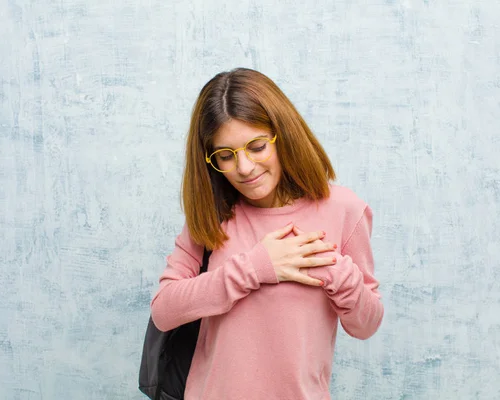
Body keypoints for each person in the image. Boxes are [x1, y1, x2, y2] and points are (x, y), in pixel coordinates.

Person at [150, 67, 384, 400]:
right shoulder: (213, 214)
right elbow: (164, 311)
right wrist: (255, 268)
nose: (244, 168)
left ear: (283, 134)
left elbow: (366, 325)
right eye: (226, 156)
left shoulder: (345, 210)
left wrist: (337, 271)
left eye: (257, 146)